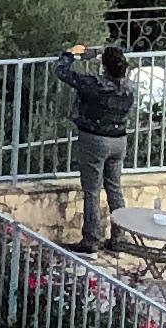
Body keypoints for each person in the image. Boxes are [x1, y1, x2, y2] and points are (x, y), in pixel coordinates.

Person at [56, 42, 136, 251]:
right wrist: (102, 53)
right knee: (114, 188)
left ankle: (91, 239)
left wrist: (71, 55)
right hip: (119, 140)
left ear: (104, 67)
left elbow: (62, 72)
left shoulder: (96, 85)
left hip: (95, 139)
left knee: (92, 190)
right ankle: (119, 237)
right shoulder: (128, 87)